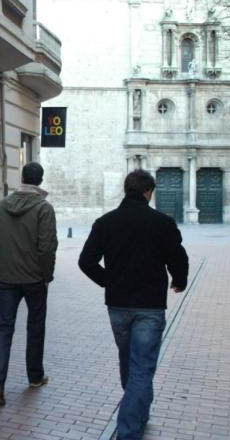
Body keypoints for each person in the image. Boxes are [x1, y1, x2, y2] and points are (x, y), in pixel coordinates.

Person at [78, 169, 188, 440]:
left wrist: (108, 281)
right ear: (148, 192)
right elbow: (178, 256)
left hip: (118, 304)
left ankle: (138, 409)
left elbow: (86, 261)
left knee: (129, 360)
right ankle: (128, 431)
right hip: (150, 305)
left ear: (127, 190)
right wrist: (179, 280)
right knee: (142, 366)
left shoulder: (105, 222)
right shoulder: (162, 223)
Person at [0, 161, 57, 406]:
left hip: (7, 278)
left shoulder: (2, 205)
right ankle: (35, 376)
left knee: (3, 330)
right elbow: (47, 247)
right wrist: (47, 275)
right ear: (40, 180)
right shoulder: (43, 208)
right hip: (34, 279)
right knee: (35, 326)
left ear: (22, 179)